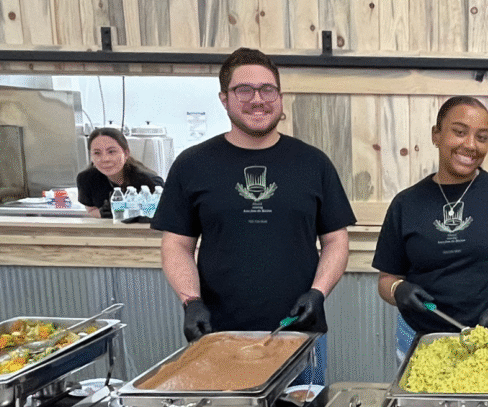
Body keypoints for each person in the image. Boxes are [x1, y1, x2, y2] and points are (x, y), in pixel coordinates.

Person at [150, 47, 355, 384]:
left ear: (280, 96)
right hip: (218, 336)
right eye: (244, 90)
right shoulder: (193, 165)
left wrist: (318, 292)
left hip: (300, 334)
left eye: (267, 89)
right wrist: (191, 301)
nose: (258, 99)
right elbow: (177, 245)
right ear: (224, 98)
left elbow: (335, 240)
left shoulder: (313, 163)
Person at [373, 96, 488, 360]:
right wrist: (398, 290)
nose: (470, 145)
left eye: (481, 137)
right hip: (421, 342)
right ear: (436, 135)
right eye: (459, 132)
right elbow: (386, 280)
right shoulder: (406, 204)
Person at [76, 127, 163, 218]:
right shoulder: (86, 179)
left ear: (126, 153)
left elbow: (166, 214)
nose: (105, 159)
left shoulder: (149, 181)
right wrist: (105, 214)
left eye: (111, 151)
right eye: (97, 153)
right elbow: (91, 209)